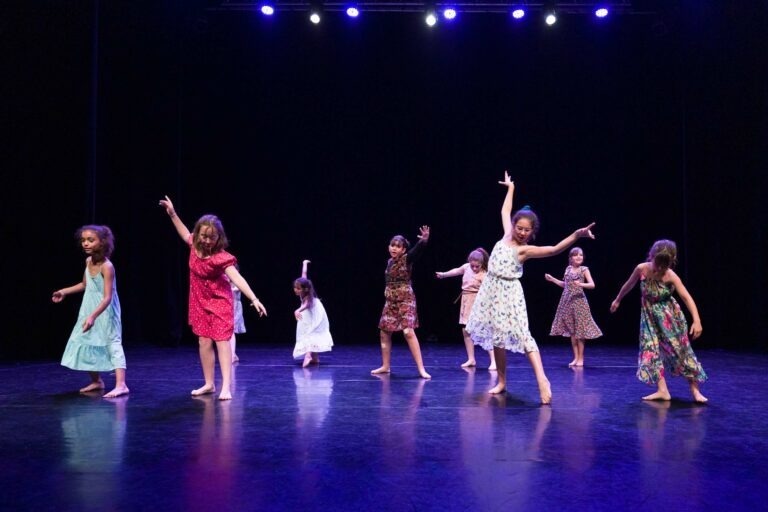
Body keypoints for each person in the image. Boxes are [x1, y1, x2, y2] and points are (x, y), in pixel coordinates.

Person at [465, 172, 595, 403]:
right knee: (497, 338)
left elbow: (555, 249)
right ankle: (502, 381)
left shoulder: (525, 251)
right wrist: (511, 188)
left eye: (527, 230)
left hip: (510, 294)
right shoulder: (506, 234)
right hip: (491, 293)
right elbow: (505, 211)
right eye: (520, 227)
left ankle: (542, 380)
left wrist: (576, 235)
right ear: (514, 225)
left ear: (532, 232)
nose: (522, 232)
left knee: (524, 337)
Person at [159, 195, 266, 400]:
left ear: (219, 238)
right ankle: (209, 383)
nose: (207, 241)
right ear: (198, 234)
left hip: (219, 301)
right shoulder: (194, 246)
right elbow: (183, 232)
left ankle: (225, 386)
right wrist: (172, 213)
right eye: (204, 236)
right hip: (199, 300)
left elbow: (237, 277)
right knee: (203, 342)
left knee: (222, 341)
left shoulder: (221, 257)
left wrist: (254, 299)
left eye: (212, 237)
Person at [610, 239, 707, 403]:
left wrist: (697, 320)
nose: (660, 268)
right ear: (651, 256)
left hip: (669, 319)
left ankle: (695, 391)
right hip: (649, 318)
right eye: (657, 264)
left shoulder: (671, 276)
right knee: (650, 351)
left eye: (664, 265)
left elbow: (686, 297)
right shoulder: (642, 269)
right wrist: (618, 299)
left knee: (680, 351)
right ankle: (663, 391)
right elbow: (628, 284)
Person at [52, 225, 129, 398]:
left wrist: (94, 316)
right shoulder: (88, 261)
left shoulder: (107, 266)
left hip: (105, 311)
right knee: (84, 340)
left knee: (112, 343)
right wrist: (64, 291)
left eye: (90, 240)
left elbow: (108, 297)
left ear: (102, 243)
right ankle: (97, 381)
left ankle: (121, 384)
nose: (85, 243)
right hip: (88, 307)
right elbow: (85, 285)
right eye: (83, 240)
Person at [372, 226, 432, 379]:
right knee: (384, 331)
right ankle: (386, 366)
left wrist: (423, 242)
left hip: (405, 298)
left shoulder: (406, 259)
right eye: (392, 245)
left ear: (404, 250)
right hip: (391, 300)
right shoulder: (389, 262)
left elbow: (415, 253)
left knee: (408, 331)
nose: (394, 248)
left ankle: (421, 369)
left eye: (398, 246)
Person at [436, 248, 497, 370]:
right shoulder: (466, 267)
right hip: (466, 300)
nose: (474, 268)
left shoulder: (485, 273)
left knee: (485, 331)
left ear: (482, 263)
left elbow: (490, 291)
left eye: (477, 266)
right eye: (472, 266)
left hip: (479, 302)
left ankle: (494, 360)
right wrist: (443, 275)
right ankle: (471, 359)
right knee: (466, 330)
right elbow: (456, 271)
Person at [545, 247, 602, 367]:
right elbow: (565, 285)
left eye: (581, 255)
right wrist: (552, 279)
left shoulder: (584, 270)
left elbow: (592, 285)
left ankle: (581, 358)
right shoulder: (568, 269)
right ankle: (575, 358)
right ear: (570, 258)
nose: (579, 257)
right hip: (567, 302)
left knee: (580, 332)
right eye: (576, 255)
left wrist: (580, 284)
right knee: (572, 331)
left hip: (579, 303)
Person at [293, 259, 334, 367]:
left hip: (317, 315)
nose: (295, 290)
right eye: (295, 288)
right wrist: (304, 264)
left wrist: (297, 310)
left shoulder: (308, 297)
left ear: (305, 289)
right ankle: (315, 357)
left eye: (298, 288)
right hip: (310, 314)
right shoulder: (304, 285)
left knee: (310, 331)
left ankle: (308, 355)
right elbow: (304, 274)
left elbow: (306, 305)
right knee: (310, 331)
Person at [228, 275, 245, 363]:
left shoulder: (238, 282)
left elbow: (238, 289)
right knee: (228, 332)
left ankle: (232, 354)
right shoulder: (226, 281)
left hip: (235, 308)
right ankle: (232, 354)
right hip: (227, 308)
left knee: (232, 331)